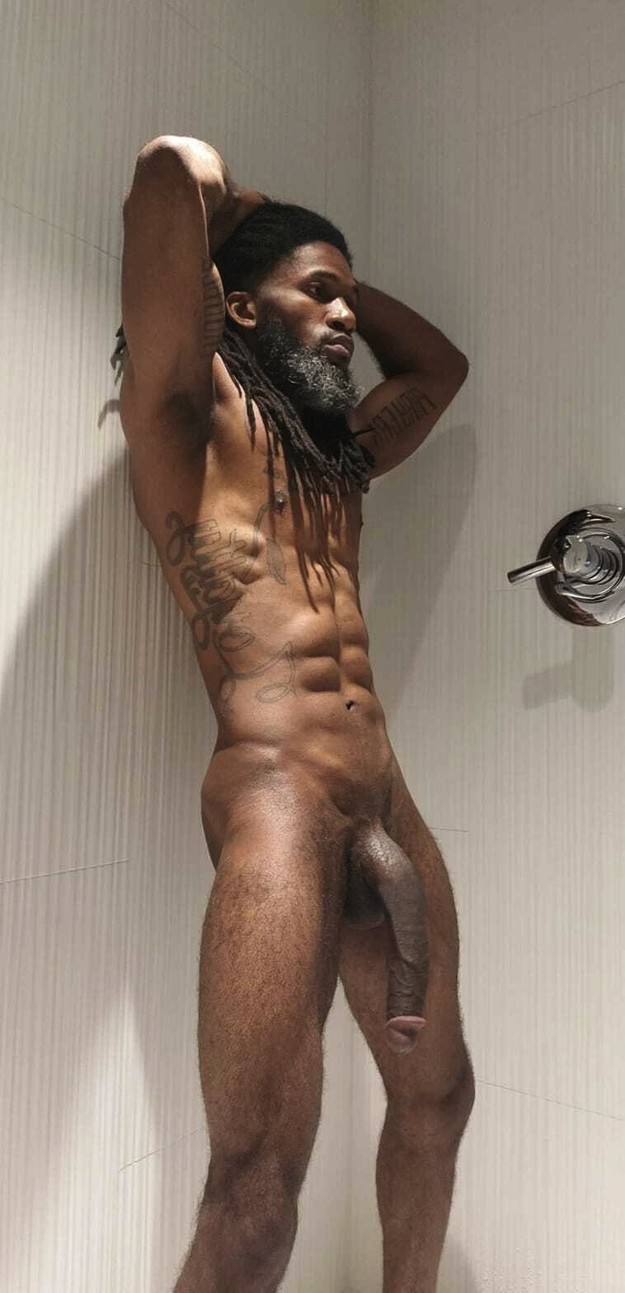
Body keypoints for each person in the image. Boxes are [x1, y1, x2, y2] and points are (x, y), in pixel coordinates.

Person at [114, 133, 474, 1293]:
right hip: (275, 797)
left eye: (347, 301)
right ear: (235, 307)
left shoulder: (338, 461)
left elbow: (441, 369)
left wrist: (332, 279)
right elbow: (168, 167)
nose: (346, 320)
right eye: (319, 294)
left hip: (381, 788)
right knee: (257, 1198)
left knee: (440, 1100)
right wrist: (235, 205)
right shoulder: (187, 417)